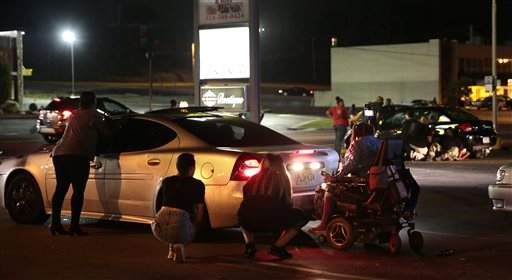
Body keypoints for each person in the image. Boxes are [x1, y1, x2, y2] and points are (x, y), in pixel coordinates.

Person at [50, 91, 110, 236]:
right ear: (93, 102)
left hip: (59, 153)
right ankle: (74, 227)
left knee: (61, 189)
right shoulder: (94, 114)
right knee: (78, 191)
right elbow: (106, 134)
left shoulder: (75, 114)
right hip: (77, 155)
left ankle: (55, 224)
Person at [309, 123, 382, 233]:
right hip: (378, 179)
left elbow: (351, 165)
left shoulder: (358, 144)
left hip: (362, 180)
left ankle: (324, 223)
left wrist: (336, 178)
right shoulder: (380, 142)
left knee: (329, 191)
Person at [238, 154, 307, 259]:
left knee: (244, 211)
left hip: (248, 221)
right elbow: (287, 202)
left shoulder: (253, 178)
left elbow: (246, 198)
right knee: (300, 216)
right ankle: (278, 247)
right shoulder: (282, 178)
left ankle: (249, 245)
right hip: (270, 220)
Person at [151, 153, 205, 263]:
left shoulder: (166, 181)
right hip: (181, 226)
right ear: (192, 168)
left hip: (159, 229)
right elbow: (200, 210)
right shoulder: (198, 184)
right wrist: (196, 225)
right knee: (185, 219)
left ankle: (172, 249)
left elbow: (163, 205)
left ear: (177, 166)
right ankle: (179, 244)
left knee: (170, 217)